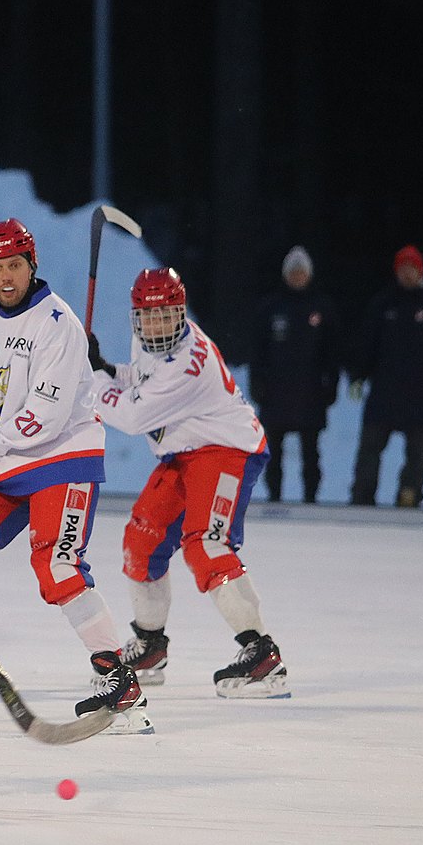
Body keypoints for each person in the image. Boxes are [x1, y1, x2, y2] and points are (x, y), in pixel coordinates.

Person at [0, 219, 149, 733]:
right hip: (8, 459)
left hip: (63, 455)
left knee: (57, 566)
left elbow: (42, 414)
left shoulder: (57, 324)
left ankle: (118, 679)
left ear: (31, 266)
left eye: (15, 266)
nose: (6, 276)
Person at [88, 267, 289, 699]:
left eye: (166, 315)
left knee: (206, 544)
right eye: (148, 316)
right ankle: (150, 644)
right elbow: (140, 383)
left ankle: (261, 653)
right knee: (140, 541)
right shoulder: (150, 345)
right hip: (185, 453)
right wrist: (104, 368)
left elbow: (132, 415)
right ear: (136, 317)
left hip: (226, 450)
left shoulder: (188, 360)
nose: (156, 325)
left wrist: (91, 381)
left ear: (181, 313)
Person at [347, 245, 423, 507]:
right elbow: (366, 344)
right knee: (369, 448)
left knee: (417, 452)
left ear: (421, 272)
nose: (407, 274)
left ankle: (409, 496)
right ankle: (362, 497)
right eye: (402, 269)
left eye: (412, 269)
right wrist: (358, 376)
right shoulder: (383, 304)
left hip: (421, 393)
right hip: (384, 391)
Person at [249, 246, 341, 503]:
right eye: (293, 272)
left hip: (310, 392)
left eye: (301, 272)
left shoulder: (322, 308)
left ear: (309, 275)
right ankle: (274, 496)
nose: (297, 277)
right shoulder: (270, 308)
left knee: (311, 451)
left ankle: (310, 498)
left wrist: (331, 384)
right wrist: (257, 382)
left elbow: (332, 352)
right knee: (273, 451)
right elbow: (258, 350)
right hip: (276, 392)